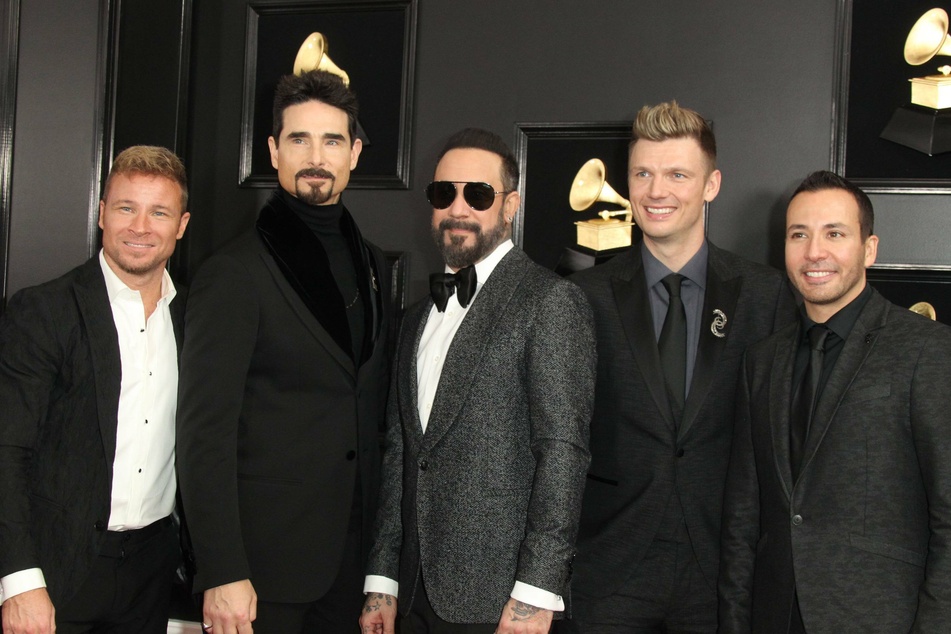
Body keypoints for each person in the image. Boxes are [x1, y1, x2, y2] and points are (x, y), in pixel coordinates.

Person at [563, 101, 796, 633]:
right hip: (609, 569)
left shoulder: (766, 297)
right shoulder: (581, 298)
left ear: (712, 184)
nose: (655, 191)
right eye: (642, 173)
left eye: (677, 174)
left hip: (721, 573)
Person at [176, 69, 390, 633]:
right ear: (273, 151)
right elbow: (204, 434)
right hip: (260, 575)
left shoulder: (370, 262)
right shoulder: (233, 272)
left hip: (350, 564)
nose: (316, 156)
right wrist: (221, 569)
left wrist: (379, 569)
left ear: (355, 153)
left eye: (332, 140)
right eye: (299, 139)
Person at [359, 128, 596, 634]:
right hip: (414, 596)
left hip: (501, 603)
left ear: (509, 206)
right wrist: (382, 580)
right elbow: (403, 454)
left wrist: (535, 593)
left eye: (478, 194)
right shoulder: (417, 317)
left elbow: (563, 453)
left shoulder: (549, 302)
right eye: (444, 193)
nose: (458, 208)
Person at [719, 170, 951, 633]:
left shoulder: (927, 350)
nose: (814, 252)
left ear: (869, 248)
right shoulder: (762, 362)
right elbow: (743, 517)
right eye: (798, 234)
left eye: (834, 234)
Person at [0, 145, 191, 633]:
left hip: (153, 570)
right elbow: (7, 450)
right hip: (57, 570)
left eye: (159, 212)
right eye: (127, 207)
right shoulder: (44, 311)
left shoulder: (195, 321)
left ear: (181, 225)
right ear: (102, 213)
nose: (141, 227)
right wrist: (20, 580)